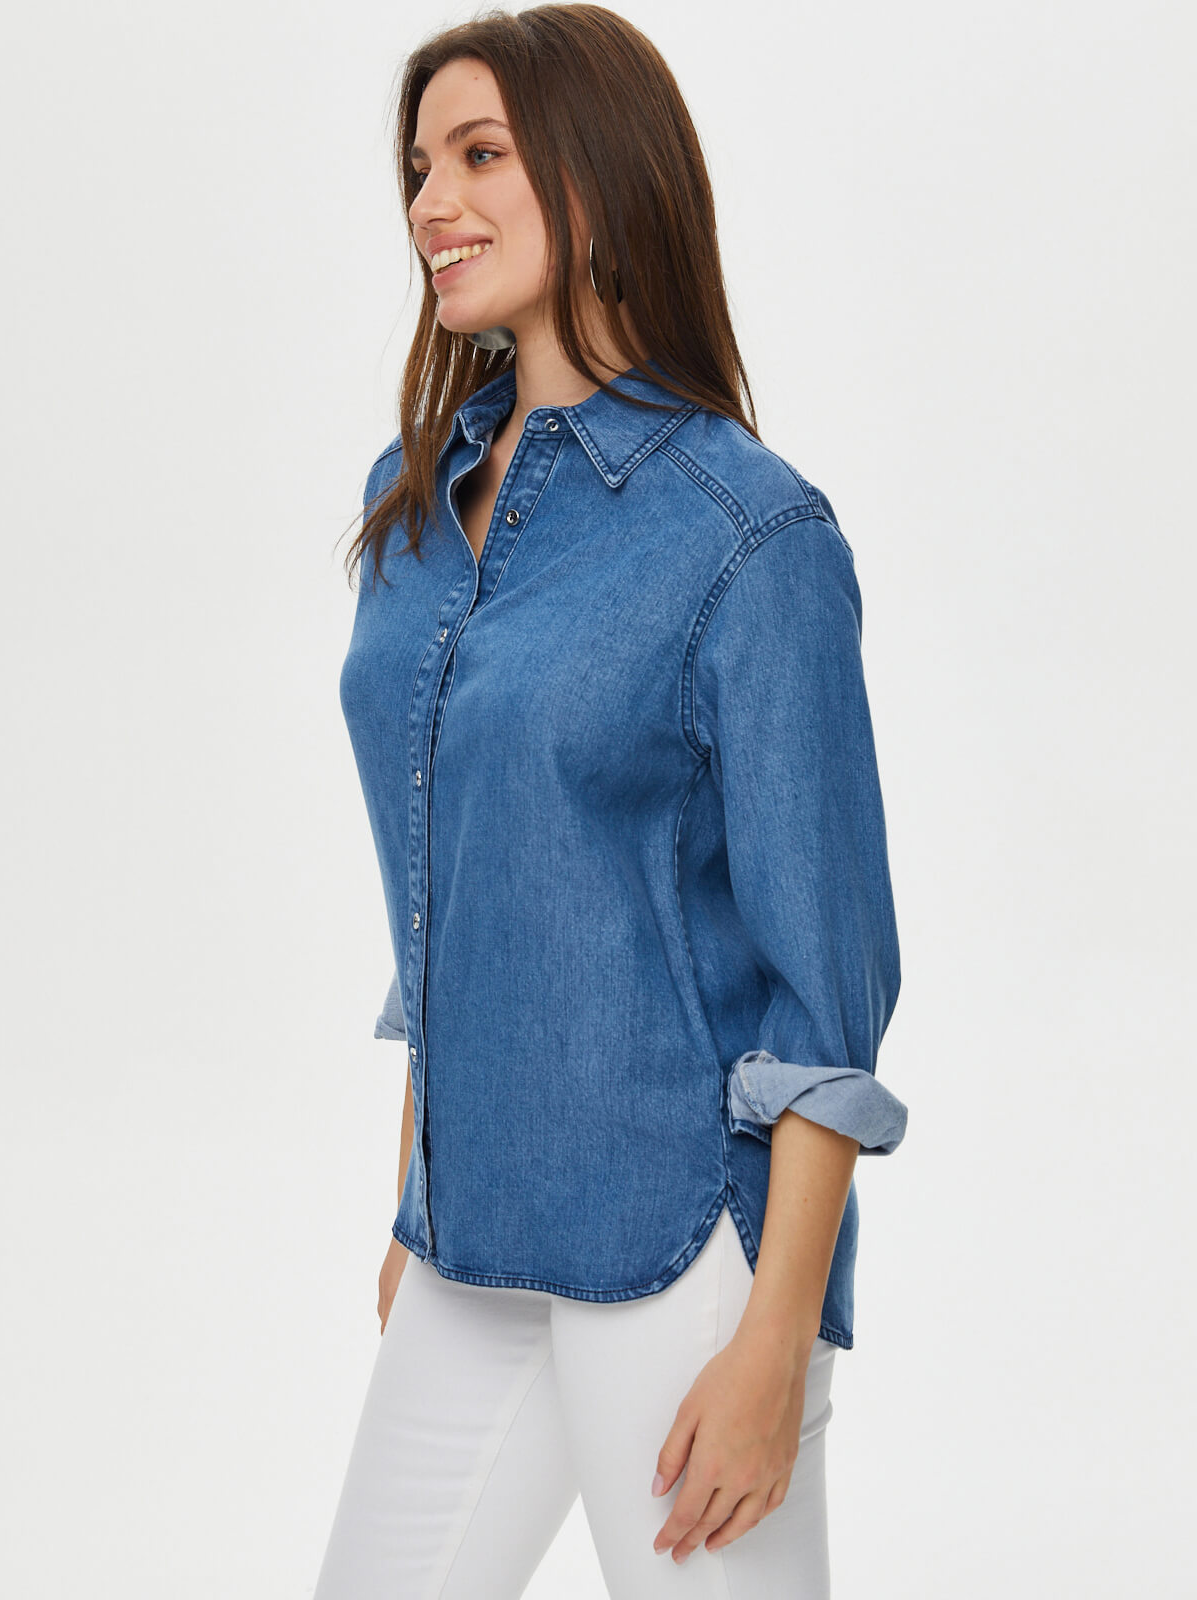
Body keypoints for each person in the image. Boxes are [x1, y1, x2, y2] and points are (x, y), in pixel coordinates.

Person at [314, 6, 908, 1596]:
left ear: (599, 174)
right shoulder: (411, 505)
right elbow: (450, 877)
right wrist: (416, 1193)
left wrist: (775, 1337)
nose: (432, 201)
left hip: (683, 1247)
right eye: (418, 166)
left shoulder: (750, 536)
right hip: (469, 1228)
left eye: (480, 154)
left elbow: (828, 990)